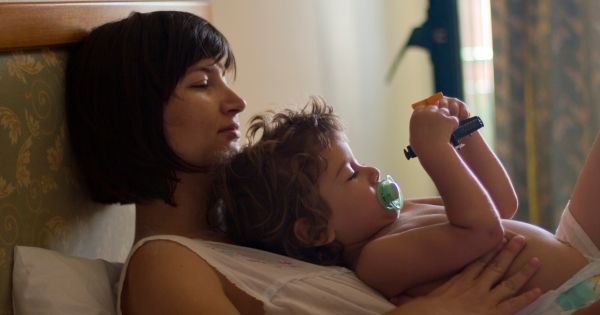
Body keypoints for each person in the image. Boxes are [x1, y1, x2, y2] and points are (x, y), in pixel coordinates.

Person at [65, 10, 542, 315]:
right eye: (201, 83)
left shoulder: (270, 222)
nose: (235, 100)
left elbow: (485, 211)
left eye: (223, 78)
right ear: (135, 111)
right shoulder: (163, 264)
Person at [215, 96, 600, 314]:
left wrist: (464, 136)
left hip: (574, 254)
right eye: (350, 174)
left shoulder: (402, 214)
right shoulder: (378, 259)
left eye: (358, 161)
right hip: (566, 300)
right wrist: (433, 151)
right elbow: (484, 231)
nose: (370, 172)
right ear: (317, 230)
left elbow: (500, 204)